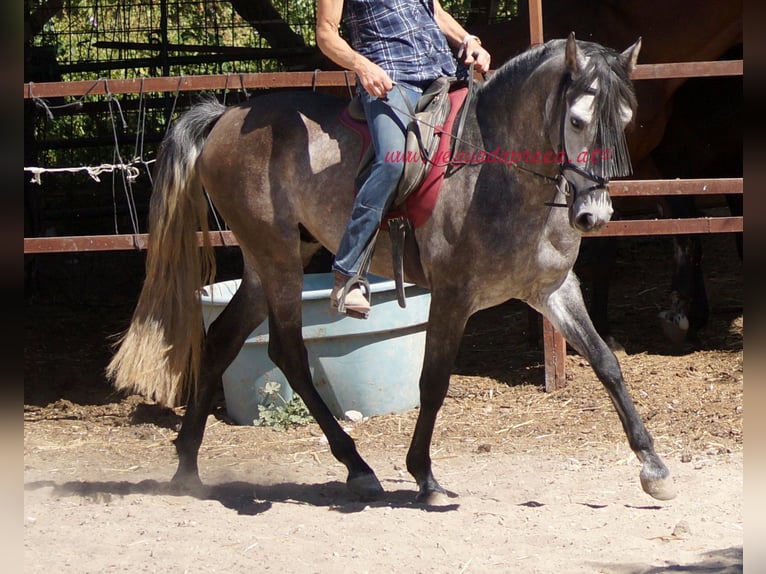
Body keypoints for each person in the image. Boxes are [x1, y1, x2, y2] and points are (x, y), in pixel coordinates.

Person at [316, 0, 491, 317]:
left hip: (443, 73)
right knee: (392, 161)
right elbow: (326, 35)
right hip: (391, 80)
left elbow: (435, 13)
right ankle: (347, 273)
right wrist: (363, 66)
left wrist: (468, 40)